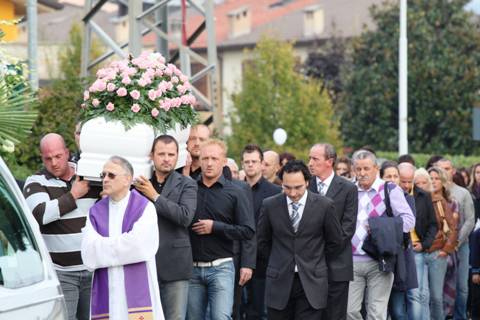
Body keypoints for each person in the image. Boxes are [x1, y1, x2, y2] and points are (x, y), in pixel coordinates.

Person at [23, 133, 98, 320]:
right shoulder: (35, 182)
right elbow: (40, 214)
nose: (54, 163)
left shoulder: (89, 174)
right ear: (42, 158)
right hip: (62, 274)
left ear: (67, 152)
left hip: (93, 269)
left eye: (58, 156)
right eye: (48, 158)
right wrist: (73, 195)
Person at [257, 160, 342, 319]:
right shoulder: (270, 205)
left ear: (307, 182)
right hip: (279, 281)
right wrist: (278, 259)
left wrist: (315, 259)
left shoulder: (324, 205)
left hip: (312, 282)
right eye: (287, 187)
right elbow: (262, 241)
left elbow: (335, 242)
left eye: (298, 187)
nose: (293, 193)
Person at [81, 156, 164, 320]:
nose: (105, 179)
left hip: (138, 295)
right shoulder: (95, 212)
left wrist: (103, 247)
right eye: (103, 175)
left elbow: (139, 247)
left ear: (127, 179)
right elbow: (89, 254)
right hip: (107, 292)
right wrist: (124, 245)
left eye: (111, 175)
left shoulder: (145, 208)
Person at [186, 139, 255, 320]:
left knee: (221, 317)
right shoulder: (189, 187)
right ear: (199, 160)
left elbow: (247, 230)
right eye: (205, 158)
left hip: (222, 267)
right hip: (191, 268)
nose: (209, 163)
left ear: (224, 161)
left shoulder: (236, 192)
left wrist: (215, 227)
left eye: (214, 159)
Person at [134, 135, 197, 320]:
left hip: (175, 265)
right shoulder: (139, 183)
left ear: (178, 156)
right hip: (143, 264)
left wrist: (155, 196)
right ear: (152, 155)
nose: (167, 158)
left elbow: (185, 217)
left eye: (171, 154)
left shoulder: (188, 184)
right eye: (161, 154)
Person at [346, 150, 415, 320]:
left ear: (376, 168)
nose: (362, 173)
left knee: (376, 313)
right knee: (349, 311)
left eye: (366, 168)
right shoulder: (348, 190)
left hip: (380, 259)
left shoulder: (389, 189)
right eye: (358, 169)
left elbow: (408, 221)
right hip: (351, 260)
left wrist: (381, 227)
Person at [307, 143, 358, 320]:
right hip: (308, 267)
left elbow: (348, 228)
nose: (310, 163)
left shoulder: (348, 188)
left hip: (337, 265)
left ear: (330, 161)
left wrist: (321, 250)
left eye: (315, 158)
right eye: (309, 158)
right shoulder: (304, 187)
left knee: (335, 315)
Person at [242, 144, 282, 320]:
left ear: (261, 164)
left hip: (264, 261)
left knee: (261, 311)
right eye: (247, 162)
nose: (250, 165)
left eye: (254, 161)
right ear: (242, 164)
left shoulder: (275, 192)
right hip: (237, 257)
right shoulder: (234, 189)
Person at [398, 162, 438, 319]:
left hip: (416, 251)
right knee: (397, 295)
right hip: (396, 250)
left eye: (410, 181)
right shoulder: (389, 194)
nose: (407, 185)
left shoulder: (423, 195)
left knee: (415, 294)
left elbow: (433, 224)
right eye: (403, 181)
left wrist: (424, 245)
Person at [437, 158, 475, 319]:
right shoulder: (433, 193)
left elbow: (470, 220)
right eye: (440, 169)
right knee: (439, 285)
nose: (445, 171)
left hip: (461, 245)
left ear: (453, 170)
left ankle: (460, 316)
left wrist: (456, 241)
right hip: (439, 247)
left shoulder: (463, 193)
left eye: (447, 168)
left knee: (461, 286)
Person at [425, 166, 459, 320]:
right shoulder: (420, 199)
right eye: (430, 178)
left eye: (436, 178)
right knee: (421, 296)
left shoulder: (445, 201)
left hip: (439, 253)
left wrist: (446, 250)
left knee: (437, 296)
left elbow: (453, 228)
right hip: (421, 252)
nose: (433, 181)